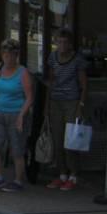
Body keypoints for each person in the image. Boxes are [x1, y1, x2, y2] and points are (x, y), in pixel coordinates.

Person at [0, 38, 35, 193]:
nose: (8, 57)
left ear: (16, 55)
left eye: (11, 54)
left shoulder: (23, 72)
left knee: (17, 150)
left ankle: (18, 181)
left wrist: (22, 116)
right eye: (5, 54)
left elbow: (29, 97)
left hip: (16, 113)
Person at [43, 27, 89, 190]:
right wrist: (47, 105)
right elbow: (51, 81)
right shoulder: (53, 58)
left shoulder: (77, 60)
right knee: (57, 139)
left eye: (65, 42)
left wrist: (80, 105)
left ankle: (73, 175)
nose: (61, 45)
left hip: (72, 101)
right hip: (56, 101)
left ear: (70, 44)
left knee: (70, 140)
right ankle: (61, 173)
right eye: (59, 42)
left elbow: (84, 84)